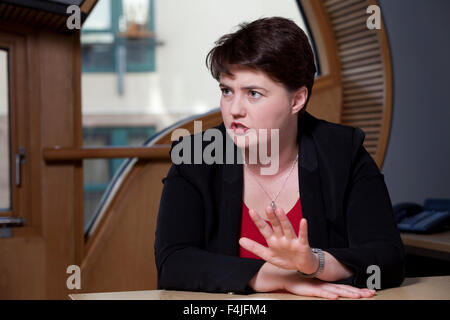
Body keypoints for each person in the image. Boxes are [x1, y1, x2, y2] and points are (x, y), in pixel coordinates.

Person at [154, 17, 405, 299]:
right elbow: (172, 264)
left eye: (253, 93)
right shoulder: (196, 158)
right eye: (227, 91)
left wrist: (316, 263)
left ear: (296, 100)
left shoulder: (342, 151)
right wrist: (273, 277)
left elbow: (389, 258)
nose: (234, 110)